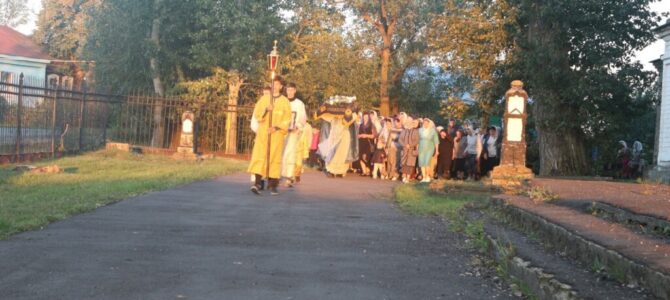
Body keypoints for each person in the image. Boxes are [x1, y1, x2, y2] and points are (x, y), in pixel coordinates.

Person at [248, 76, 291, 195]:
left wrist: (276, 127)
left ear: (281, 86)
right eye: (273, 84)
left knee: (274, 158)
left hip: (276, 135)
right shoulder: (264, 99)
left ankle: (273, 185)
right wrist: (266, 110)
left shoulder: (285, 101)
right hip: (264, 133)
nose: (275, 86)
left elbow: (287, 119)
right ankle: (257, 183)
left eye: (277, 84)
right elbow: (257, 115)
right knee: (260, 157)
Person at [280, 83, 308, 187]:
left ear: (295, 90)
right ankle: (278, 175)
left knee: (291, 154)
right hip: (282, 131)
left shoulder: (299, 104)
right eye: (288, 90)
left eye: (292, 90)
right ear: (286, 90)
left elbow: (302, 117)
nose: (290, 91)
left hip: (293, 132)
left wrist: (298, 127)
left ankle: (289, 176)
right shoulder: (282, 101)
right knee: (280, 153)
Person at [418, 118, 439, 183]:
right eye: (424, 123)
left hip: (430, 148)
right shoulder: (420, 130)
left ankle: (427, 176)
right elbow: (418, 140)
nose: (425, 124)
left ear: (429, 123)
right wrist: (416, 148)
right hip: (421, 147)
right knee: (421, 163)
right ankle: (424, 177)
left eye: (427, 123)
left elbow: (436, 141)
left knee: (427, 162)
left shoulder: (433, 131)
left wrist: (437, 150)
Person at [400, 118, 420, 183]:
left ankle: (408, 177)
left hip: (412, 150)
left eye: (411, 122)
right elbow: (400, 140)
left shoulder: (416, 131)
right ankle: (404, 176)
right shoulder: (404, 131)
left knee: (410, 164)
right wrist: (405, 145)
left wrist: (410, 145)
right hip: (405, 149)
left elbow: (417, 140)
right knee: (404, 163)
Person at [358, 112, 377, 176]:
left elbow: (374, 135)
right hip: (361, 143)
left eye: (366, 117)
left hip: (368, 144)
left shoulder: (371, 125)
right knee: (360, 157)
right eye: (364, 117)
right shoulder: (360, 125)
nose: (365, 118)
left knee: (367, 158)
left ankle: (368, 170)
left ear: (368, 117)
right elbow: (357, 134)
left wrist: (366, 135)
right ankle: (364, 171)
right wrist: (360, 136)